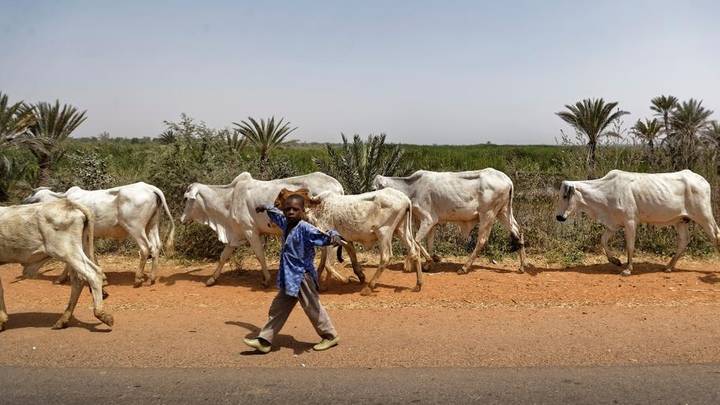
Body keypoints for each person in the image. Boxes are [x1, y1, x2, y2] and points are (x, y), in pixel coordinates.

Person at [243, 193, 342, 353]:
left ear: (302, 211)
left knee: (312, 307)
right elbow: (275, 214)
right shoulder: (285, 222)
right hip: (289, 276)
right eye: (287, 209)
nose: (290, 212)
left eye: (295, 209)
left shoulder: (305, 228)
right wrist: (266, 207)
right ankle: (264, 340)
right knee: (278, 308)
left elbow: (323, 236)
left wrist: (334, 236)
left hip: (302, 276)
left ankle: (330, 336)